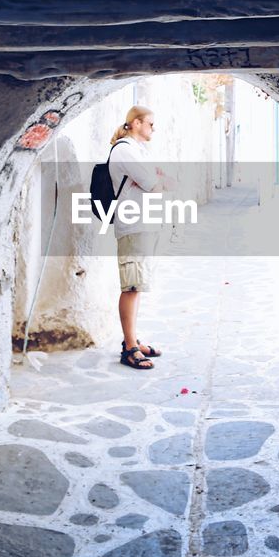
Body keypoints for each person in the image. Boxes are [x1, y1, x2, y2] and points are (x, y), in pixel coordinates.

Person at [106, 105, 172, 370]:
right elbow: (155, 185)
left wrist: (158, 180)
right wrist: (157, 180)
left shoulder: (138, 151)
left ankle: (131, 340)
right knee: (131, 287)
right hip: (133, 226)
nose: (153, 128)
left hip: (144, 225)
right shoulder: (124, 150)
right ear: (135, 123)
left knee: (138, 285)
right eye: (150, 123)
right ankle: (130, 348)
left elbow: (167, 181)